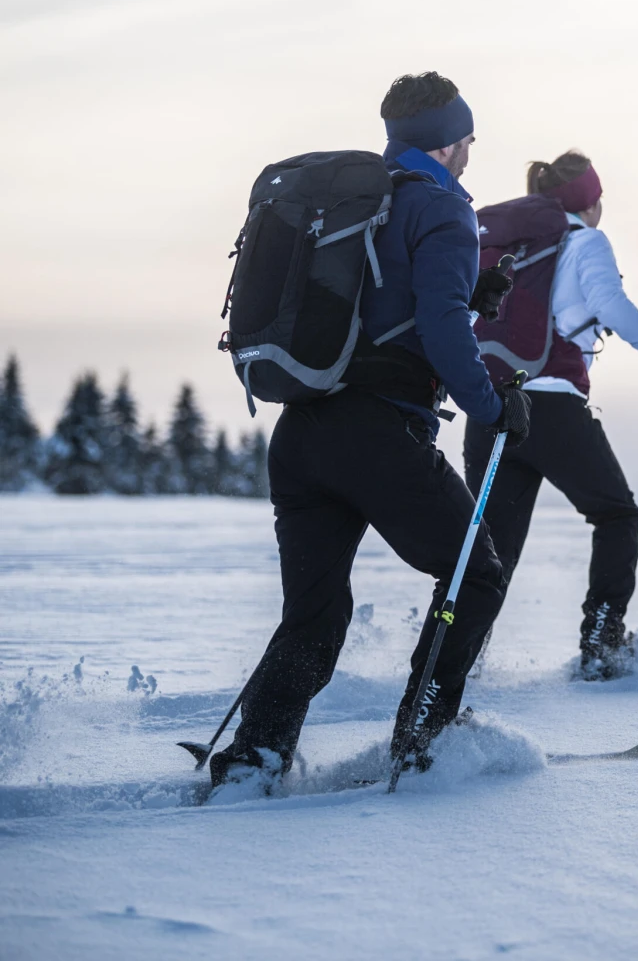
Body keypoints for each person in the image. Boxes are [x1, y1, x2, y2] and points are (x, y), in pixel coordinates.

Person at [209, 72, 531, 791]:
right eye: (469, 138)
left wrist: (468, 290)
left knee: (315, 617)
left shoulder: (365, 201)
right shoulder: (443, 210)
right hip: (378, 434)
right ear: (449, 141)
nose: (472, 150)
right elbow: (443, 328)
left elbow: (388, 299)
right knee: (476, 576)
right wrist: (492, 404)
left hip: (304, 435)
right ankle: (425, 741)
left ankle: (253, 759)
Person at [465, 151, 638, 680]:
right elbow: (609, 304)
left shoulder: (513, 249)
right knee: (616, 516)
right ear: (589, 202)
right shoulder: (584, 240)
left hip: (491, 405)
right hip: (550, 407)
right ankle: (601, 643)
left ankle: (461, 656)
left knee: (494, 544)